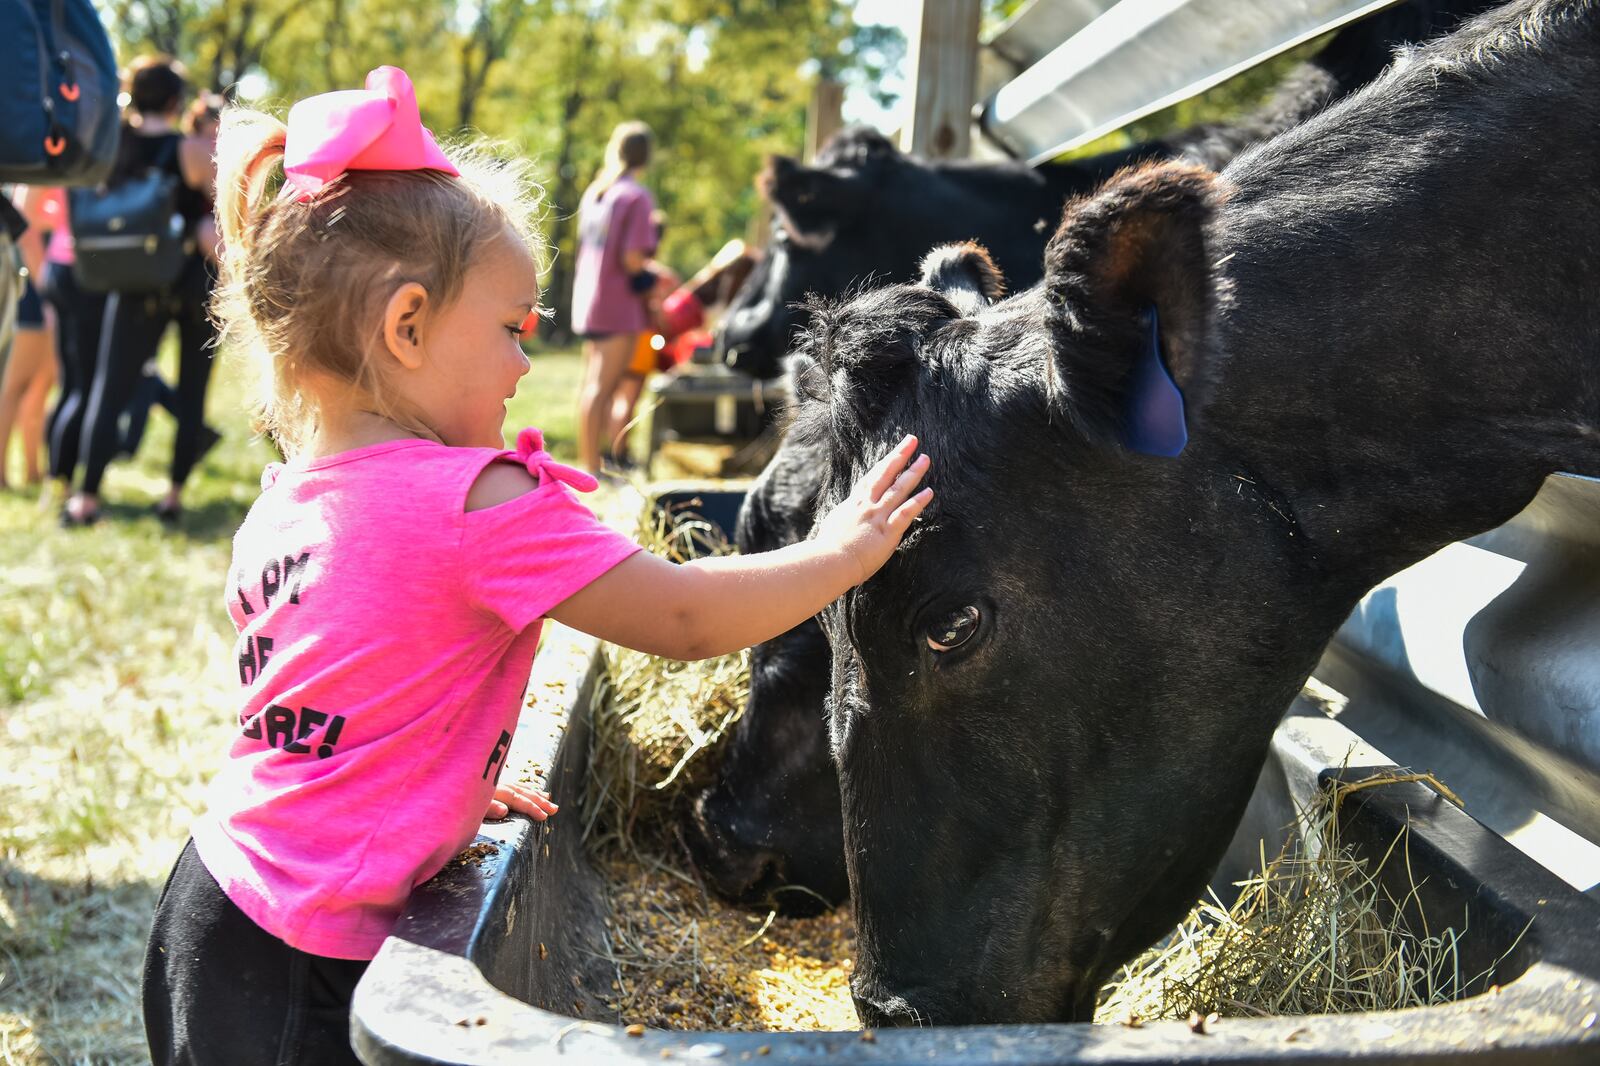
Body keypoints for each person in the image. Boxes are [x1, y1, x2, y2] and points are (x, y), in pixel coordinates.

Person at [140, 67, 932, 1066]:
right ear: (407, 325)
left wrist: (435, 789)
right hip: (307, 959)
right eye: (513, 329)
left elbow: (335, 689)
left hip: (213, 903)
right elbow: (686, 619)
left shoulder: (287, 496)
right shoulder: (476, 500)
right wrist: (844, 551)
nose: (525, 365)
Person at [62, 55, 216, 527]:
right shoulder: (190, 151)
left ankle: (85, 498)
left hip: (132, 283)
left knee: (109, 391)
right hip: (191, 282)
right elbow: (223, 214)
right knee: (191, 392)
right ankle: (172, 496)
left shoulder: (112, 148)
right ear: (174, 102)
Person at [571, 120, 657, 475]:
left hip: (589, 299)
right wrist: (651, 280)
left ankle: (594, 463)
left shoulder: (596, 191)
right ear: (646, 156)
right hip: (617, 304)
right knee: (603, 388)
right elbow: (632, 258)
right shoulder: (636, 196)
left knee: (592, 385)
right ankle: (592, 469)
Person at [0, 187, 57, 489]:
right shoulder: (36, 176)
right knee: (15, 385)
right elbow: (25, 231)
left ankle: (34, 471)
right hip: (35, 287)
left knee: (40, 384)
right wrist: (47, 293)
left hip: (43, 283)